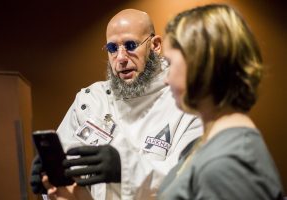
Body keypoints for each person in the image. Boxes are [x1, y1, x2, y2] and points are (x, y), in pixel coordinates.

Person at [40, 3, 285, 200]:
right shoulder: (221, 146)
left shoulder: (227, 163)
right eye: (112, 48)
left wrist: (123, 168)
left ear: (203, 69)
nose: (166, 78)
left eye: (173, 63)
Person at [30, 8, 202, 200]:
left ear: (155, 45)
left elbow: (188, 179)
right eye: (112, 48)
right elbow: (70, 178)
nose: (120, 58)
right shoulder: (91, 100)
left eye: (130, 45)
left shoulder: (186, 104)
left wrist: (125, 169)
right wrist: (50, 179)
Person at [158, 4, 284, 199]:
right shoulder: (214, 142)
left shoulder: (228, 164)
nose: (166, 79)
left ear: (199, 64)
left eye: (169, 63)